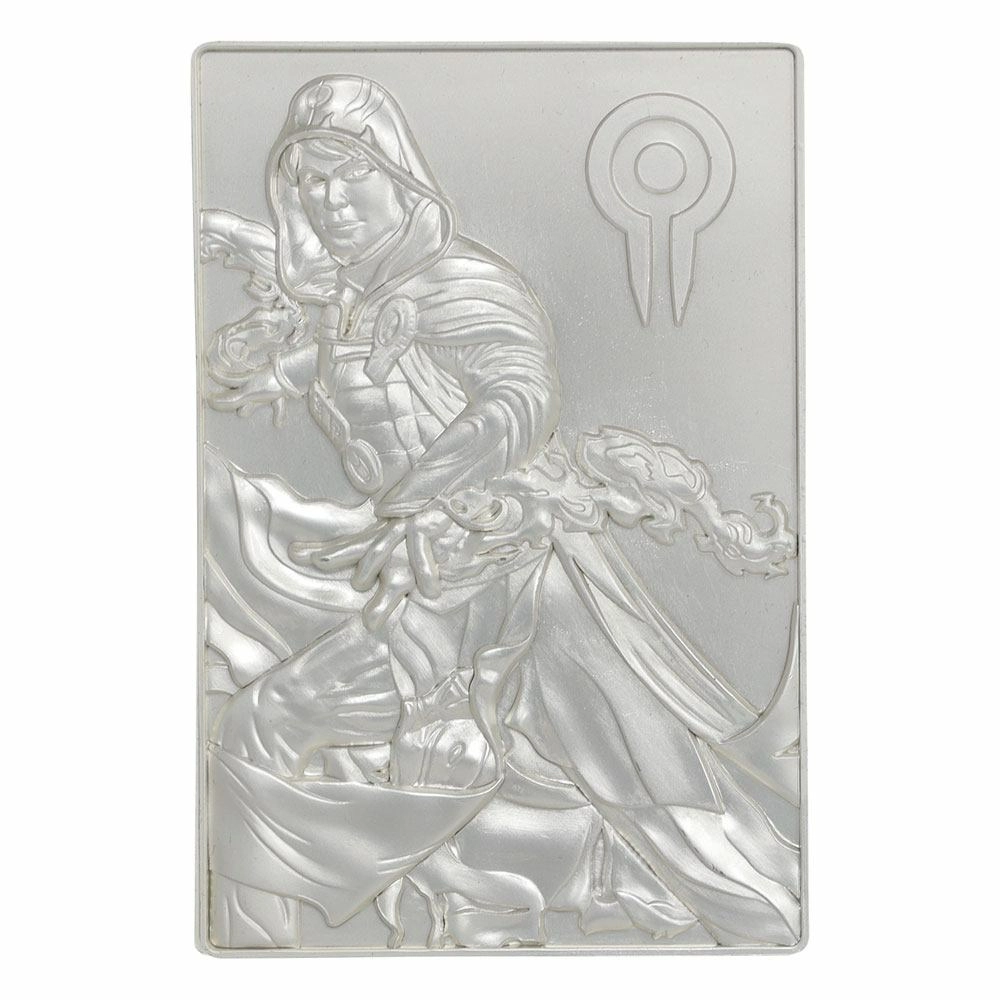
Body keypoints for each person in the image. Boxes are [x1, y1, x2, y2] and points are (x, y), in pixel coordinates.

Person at [202, 75, 800, 950]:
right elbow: (324, 354)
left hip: (525, 586)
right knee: (263, 724)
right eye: (309, 182)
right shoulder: (354, 308)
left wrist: (417, 499)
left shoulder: (464, 284)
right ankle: (257, 955)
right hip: (430, 594)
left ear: (399, 175)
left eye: (348, 173)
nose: (329, 200)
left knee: (667, 815)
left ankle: (777, 929)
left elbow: (519, 400)